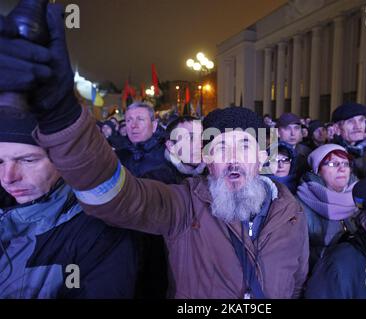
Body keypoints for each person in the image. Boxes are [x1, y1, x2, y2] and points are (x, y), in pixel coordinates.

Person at [0, 11, 310, 299]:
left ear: (261, 155)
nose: (232, 158)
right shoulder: (183, 206)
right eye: (219, 148)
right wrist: (61, 115)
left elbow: (296, 282)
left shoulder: (292, 213)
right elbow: (115, 196)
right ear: (206, 160)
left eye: (244, 145)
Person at [0, 104, 138, 299]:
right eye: (0, 162)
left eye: (28, 160)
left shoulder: (99, 232)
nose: (8, 177)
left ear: (65, 159)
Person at [297, 144, 359, 270]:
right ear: (318, 171)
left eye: (346, 164)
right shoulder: (298, 204)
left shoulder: (360, 195)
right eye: (332, 164)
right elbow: (296, 252)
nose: (342, 169)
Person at [142, 116, 206, 184]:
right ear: (171, 146)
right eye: (191, 138)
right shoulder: (155, 180)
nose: (200, 144)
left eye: (201, 138)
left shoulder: (211, 173)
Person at [332, 103, 366, 179]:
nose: (358, 126)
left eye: (361, 120)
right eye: (350, 121)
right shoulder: (330, 154)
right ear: (337, 129)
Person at [116, 102, 166, 176]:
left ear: (154, 126)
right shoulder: (118, 156)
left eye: (140, 119)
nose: (133, 125)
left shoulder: (168, 155)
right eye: (129, 120)